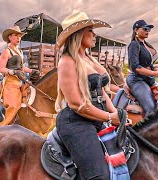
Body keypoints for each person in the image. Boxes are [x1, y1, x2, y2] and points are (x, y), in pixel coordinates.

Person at [55, 12, 123, 180]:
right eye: (90, 30)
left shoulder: (90, 60)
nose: (95, 34)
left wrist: (116, 114)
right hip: (76, 122)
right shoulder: (67, 62)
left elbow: (101, 93)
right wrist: (109, 116)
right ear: (78, 34)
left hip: (97, 119)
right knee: (99, 176)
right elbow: (78, 105)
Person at [0, 25, 39, 127]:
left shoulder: (19, 51)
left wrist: (32, 71)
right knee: (14, 105)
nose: (18, 38)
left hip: (20, 81)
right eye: (16, 35)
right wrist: (13, 72)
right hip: (10, 82)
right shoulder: (6, 51)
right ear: (10, 37)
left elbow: (22, 67)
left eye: (20, 36)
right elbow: (1, 69)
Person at [126, 20, 158, 117]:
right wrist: (154, 74)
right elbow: (135, 67)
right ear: (136, 30)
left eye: (149, 29)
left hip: (149, 79)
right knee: (151, 108)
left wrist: (156, 69)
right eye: (145, 29)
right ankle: (148, 130)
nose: (148, 31)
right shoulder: (134, 44)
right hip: (137, 79)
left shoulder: (147, 45)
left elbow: (149, 63)